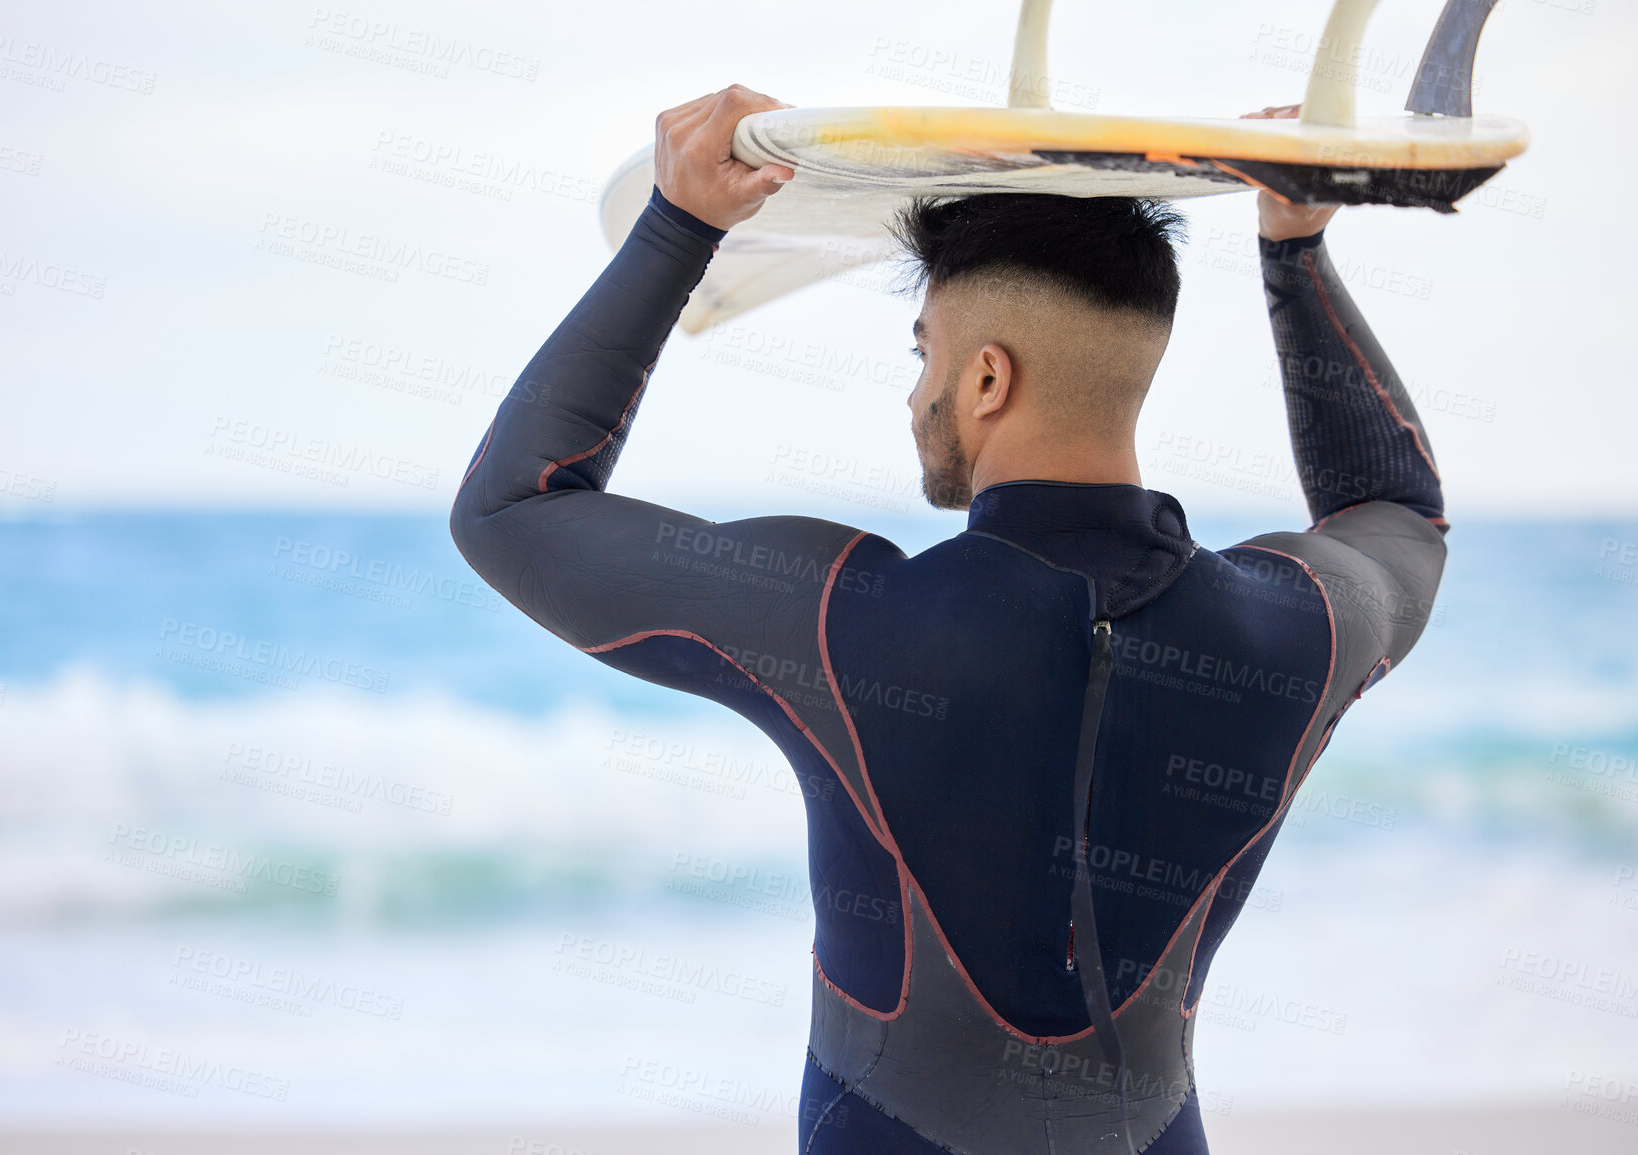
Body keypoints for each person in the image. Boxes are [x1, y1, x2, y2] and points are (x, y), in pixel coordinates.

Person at [450, 85, 1446, 1154]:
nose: (916, 391)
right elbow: (1398, 512)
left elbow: (514, 507)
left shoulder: (846, 621)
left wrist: (678, 225)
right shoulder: (1296, 627)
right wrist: (1294, 252)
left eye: (921, 353)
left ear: (985, 378)